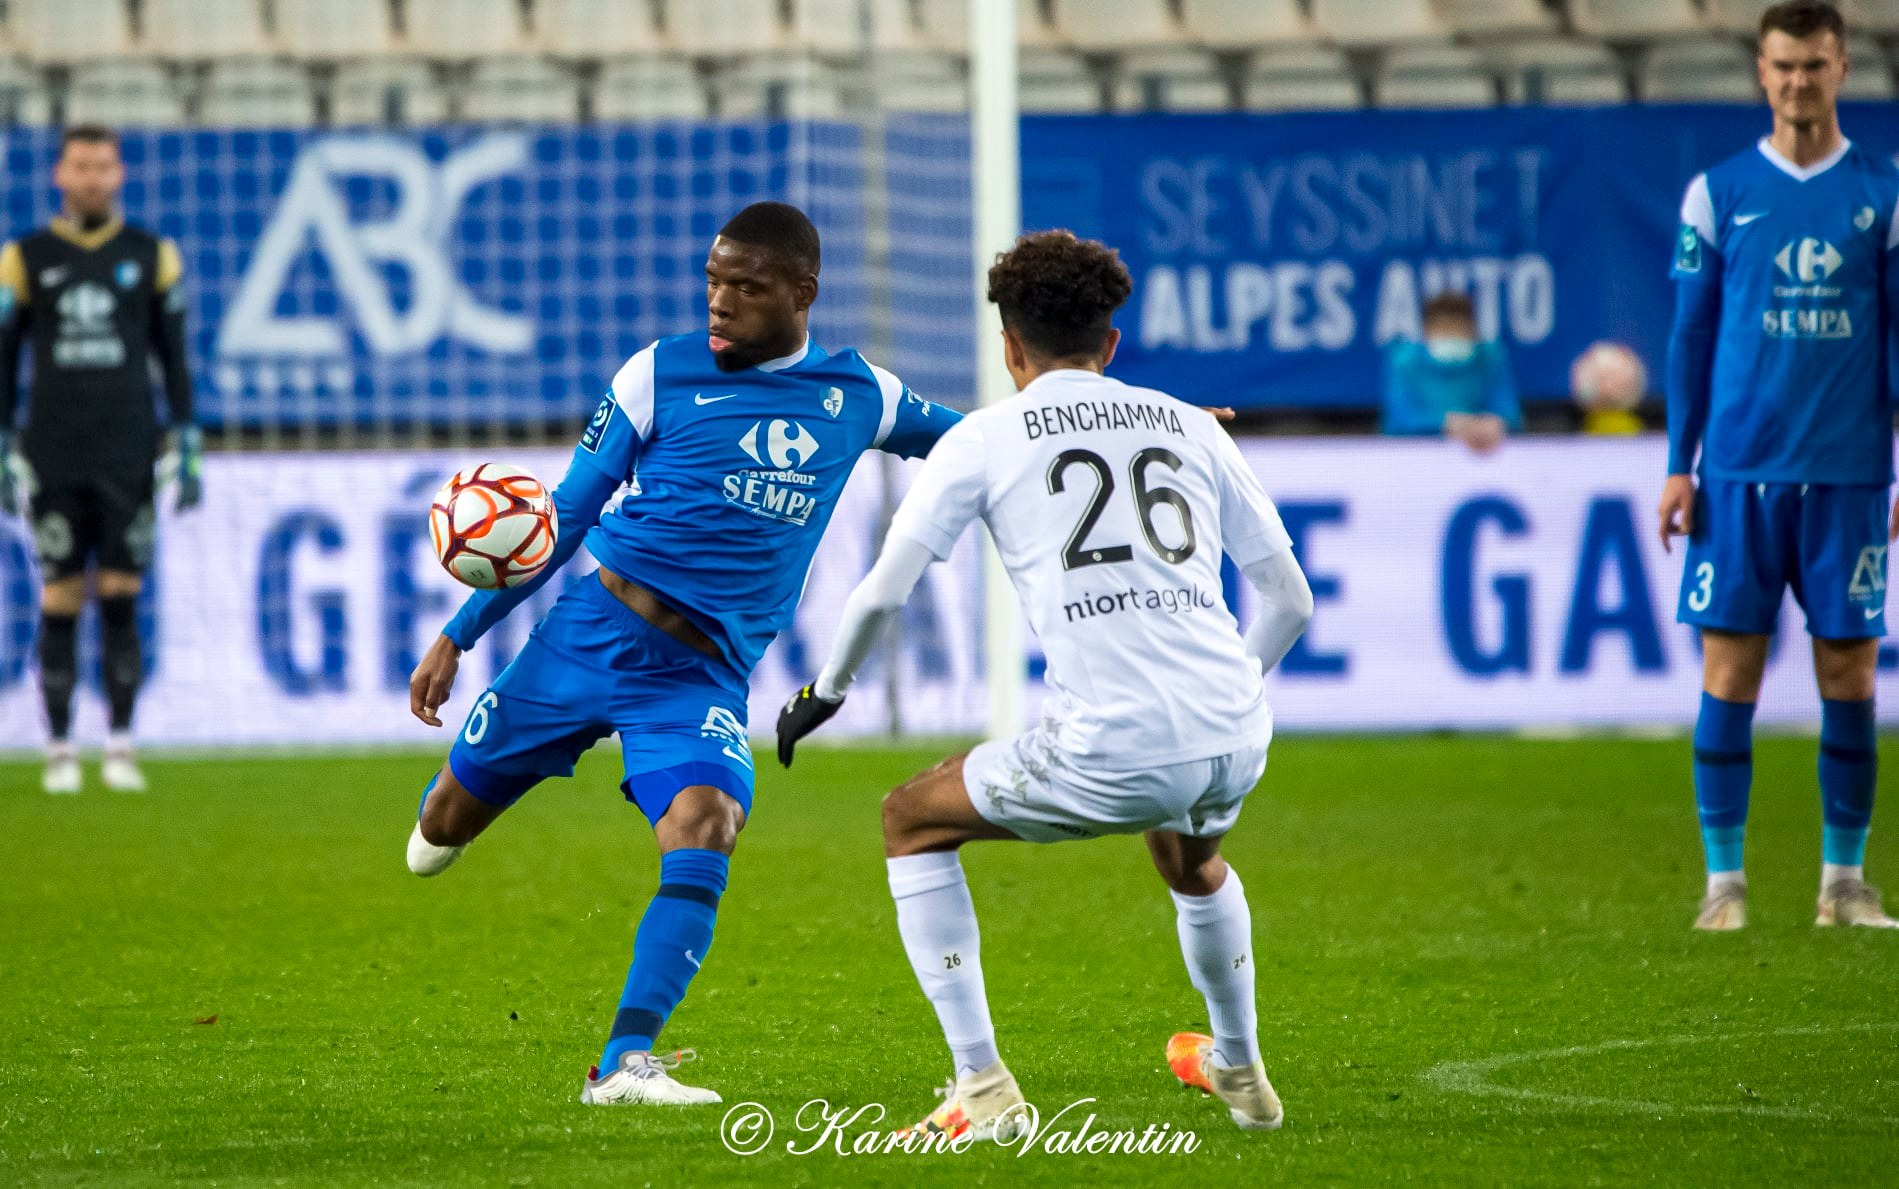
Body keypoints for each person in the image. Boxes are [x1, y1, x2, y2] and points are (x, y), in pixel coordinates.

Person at [403, 201, 957, 1105]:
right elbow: (565, 516)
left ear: (802, 292)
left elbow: (978, 439)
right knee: (441, 829)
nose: (720, 301)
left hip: (697, 676)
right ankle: (449, 807)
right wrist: (455, 635)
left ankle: (622, 1064)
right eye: (713, 280)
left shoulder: (861, 394)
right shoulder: (657, 374)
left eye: (746, 285)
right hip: (584, 637)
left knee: (707, 825)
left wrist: (1117, 420)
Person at [776, 230, 1314, 1139]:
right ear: (1110, 343)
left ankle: (981, 1087)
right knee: (1187, 856)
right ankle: (1239, 1067)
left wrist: (823, 690)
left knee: (909, 816)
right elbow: (1289, 601)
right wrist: (1228, 693)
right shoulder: (1186, 420)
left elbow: (881, 590)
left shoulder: (984, 438)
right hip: (1236, 733)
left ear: (1008, 346)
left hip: (1118, 745)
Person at [1658, 0, 1899, 932]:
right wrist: (1678, 465)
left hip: (1846, 473)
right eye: (1782, 66)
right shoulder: (1716, 194)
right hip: (1738, 473)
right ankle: (1724, 884)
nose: (1798, 81)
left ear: (1842, 68)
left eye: (1814, 64)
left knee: (1848, 674)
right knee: (1730, 672)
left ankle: (1843, 883)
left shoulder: (1881, 195)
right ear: (1761, 73)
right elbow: (1689, 336)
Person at [0, 123, 201, 795]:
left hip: (129, 450)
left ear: (119, 175)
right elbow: (4, 360)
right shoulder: (24, 257)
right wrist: (4, 441)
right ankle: (58, 747)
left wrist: (188, 435)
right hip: (55, 450)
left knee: (119, 592)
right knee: (59, 594)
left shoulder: (151, 255)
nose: (92, 177)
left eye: (104, 166)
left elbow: (172, 356)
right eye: (80, 166)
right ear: (59, 174)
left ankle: (119, 743)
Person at [1379, 291, 1521, 453]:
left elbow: (1509, 414)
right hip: (1417, 456)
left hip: (1481, 454)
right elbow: (1398, 420)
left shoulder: (1490, 356)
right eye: (1444, 329)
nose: (1451, 336)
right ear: (1426, 331)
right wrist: (1445, 425)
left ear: (1472, 331)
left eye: (1458, 329)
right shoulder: (1405, 360)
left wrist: (1495, 423)